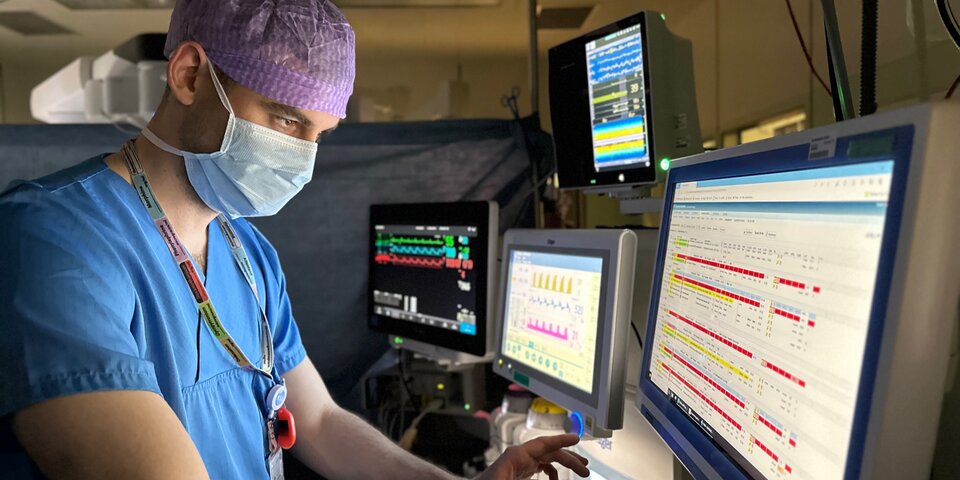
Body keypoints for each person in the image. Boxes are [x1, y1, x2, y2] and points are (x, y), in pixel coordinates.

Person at [0, 0, 591, 479]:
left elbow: (320, 422)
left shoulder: (249, 255)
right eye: (286, 120)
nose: (303, 159)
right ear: (189, 75)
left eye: (320, 134)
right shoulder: (53, 237)